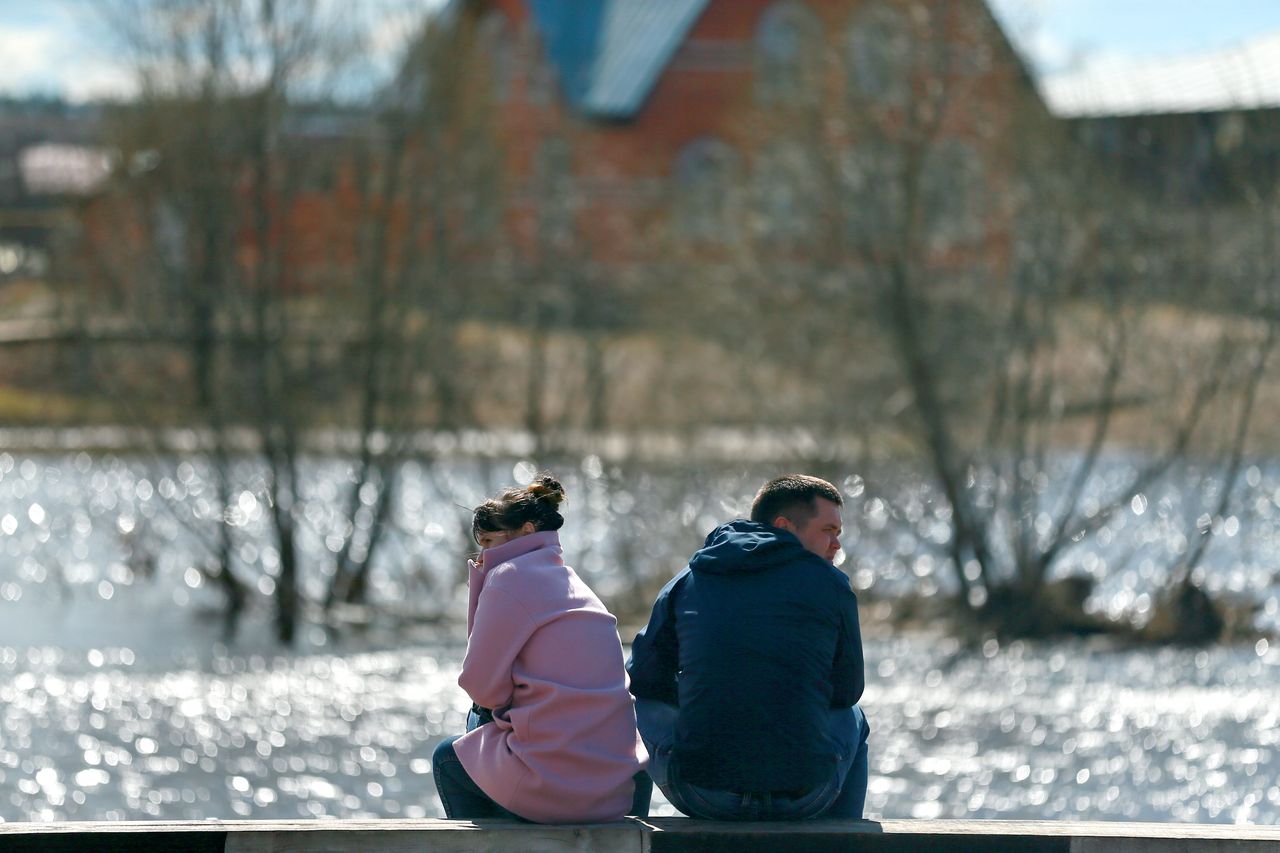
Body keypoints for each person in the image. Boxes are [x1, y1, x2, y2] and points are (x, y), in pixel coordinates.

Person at [628, 474, 869, 821]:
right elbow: (847, 692)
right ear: (784, 527)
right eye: (828, 531)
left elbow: (642, 681)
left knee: (629, 706)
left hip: (702, 793)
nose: (837, 545)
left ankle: (624, 835)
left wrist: (705, 694)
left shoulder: (689, 580)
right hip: (807, 796)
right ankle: (846, 840)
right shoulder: (833, 586)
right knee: (855, 718)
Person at [432, 474, 650, 822]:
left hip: (553, 789)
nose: (484, 555)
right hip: (614, 790)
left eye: (489, 541)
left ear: (528, 531)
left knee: (449, 754)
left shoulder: (509, 578)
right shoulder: (577, 586)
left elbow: (482, 689)